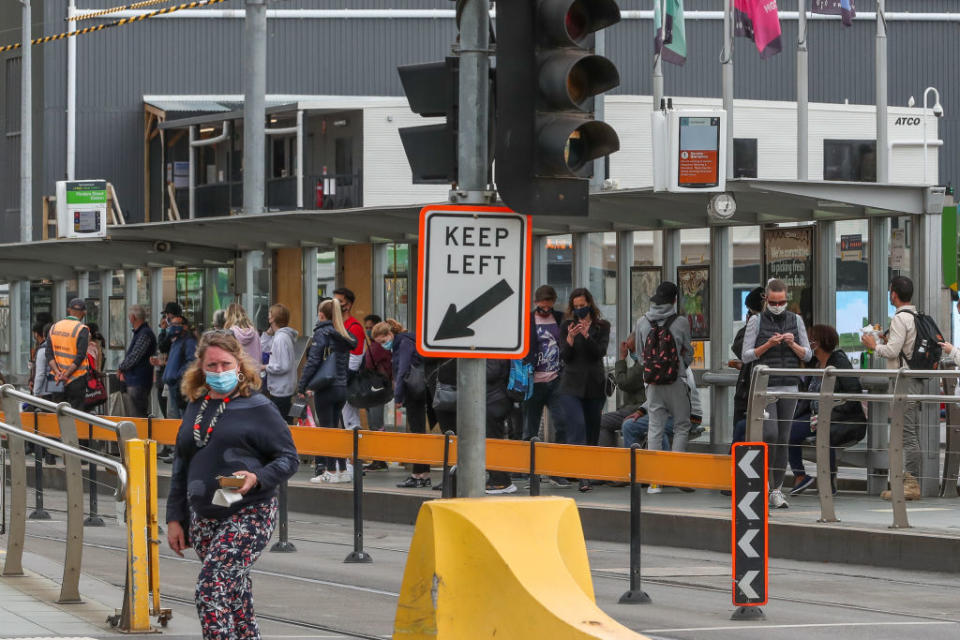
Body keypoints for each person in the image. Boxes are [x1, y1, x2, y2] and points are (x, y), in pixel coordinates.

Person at [165, 331, 298, 640]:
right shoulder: (195, 406)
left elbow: (289, 458)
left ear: (239, 364)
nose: (220, 372)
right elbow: (181, 464)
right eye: (212, 366)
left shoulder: (258, 406)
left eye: (226, 364)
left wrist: (257, 478)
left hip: (250, 511)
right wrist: (175, 517)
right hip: (206, 514)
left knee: (211, 591)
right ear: (200, 366)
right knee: (235, 596)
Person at [742, 278, 813, 509]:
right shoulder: (756, 321)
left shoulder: (796, 320)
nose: (778, 305)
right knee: (770, 434)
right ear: (767, 300)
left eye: (782, 301)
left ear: (786, 299)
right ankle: (765, 482)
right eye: (773, 302)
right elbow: (746, 355)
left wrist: (792, 344)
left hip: (789, 386)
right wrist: (768, 345)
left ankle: (776, 489)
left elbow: (807, 355)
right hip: (766, 386)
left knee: (783, 438)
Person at [861, 276, 928, 501]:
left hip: (904, 382)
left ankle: (910, 484)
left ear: (893, 294)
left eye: (890, 291)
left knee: (906, 433)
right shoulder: (915, 316)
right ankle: (908, 482)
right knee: (909, 431)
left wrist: (874, 346)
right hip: (913, 380)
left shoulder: (901, 318)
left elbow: (892, 352)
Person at [788, 324, 867, 496]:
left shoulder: (838, 361)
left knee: (820, 431)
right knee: (788, 428)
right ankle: (801, 476)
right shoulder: (815, 362)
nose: (808, 342)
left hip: (840, 419)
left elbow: (853, 395)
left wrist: (827, 413)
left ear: (819, 342)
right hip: (815, 416)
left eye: (811, 339)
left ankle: (826, 482)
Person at [635, 281, 694, 494]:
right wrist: (679, 367)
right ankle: (676, 475)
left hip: (652, 384)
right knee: (681, 425)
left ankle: (654, 482)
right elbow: (688, 351)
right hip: (676, 381)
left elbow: (641, 356)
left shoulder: (642, 322)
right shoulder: (681, 322)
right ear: (674, 300)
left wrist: (652, 371)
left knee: (655, 427)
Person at [297, 299, 357, 484]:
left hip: (326, 388)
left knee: (326, 431)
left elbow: (313, 361)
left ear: (321, 315)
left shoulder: (322, 333)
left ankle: (330, 471)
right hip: (341, 388)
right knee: (337, 430)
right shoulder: (344, 335)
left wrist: (302, 385)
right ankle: (343, 470)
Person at [558, 288, 610, 493]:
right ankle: (582, 476)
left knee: (592, 429)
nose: (579, 310)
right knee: (577, 425)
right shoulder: (566, 326)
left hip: (594, 384)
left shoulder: (602, 326)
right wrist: (570, 339)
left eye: (583, 305)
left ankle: (587, 470)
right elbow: (565, 356)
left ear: (590, 304)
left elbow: (599, 352)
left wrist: (587, 335)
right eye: (576, 307)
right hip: (571, 385)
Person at [372, 321, 430, 488]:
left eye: (383, 341)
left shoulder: (403, 343)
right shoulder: (406, 340)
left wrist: (397, 398)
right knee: (418, 432)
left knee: (417, 433)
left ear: (390, 334)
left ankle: (418, 474)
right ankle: (421, 473)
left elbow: (403, 370)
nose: (383, 346)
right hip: (417, 390)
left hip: (413, 392)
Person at [523, 286, 568, 443]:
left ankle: (560, 459)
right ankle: (529, 462)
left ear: (554, 301)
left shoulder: (560, 318)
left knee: (563, 423)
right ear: (536, 302)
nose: (546, 308)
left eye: (549, 304)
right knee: (530, 428)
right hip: (533, 381)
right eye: (542, 305)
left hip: (556, 379)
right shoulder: (527, 320)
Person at [730, 287, 766, 445]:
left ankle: (734, 466)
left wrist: (751, 322)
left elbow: (739, 347)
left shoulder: (756, 328)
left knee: (741, 434)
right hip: (759, 390)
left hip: (748, 393)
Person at [598, 333, 646, 447]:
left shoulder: (642, 365)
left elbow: (623, 382)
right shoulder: (639, 364)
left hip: (637, 409)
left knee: (601, 422)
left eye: (632, 350)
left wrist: (622, 358)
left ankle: (607, 457)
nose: (631, 353)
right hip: (635, 408)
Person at [47, 298, 91, 409]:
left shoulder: (54, 327)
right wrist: (66, 375)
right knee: (75, 413)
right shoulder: (82, 329)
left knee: (56, 410)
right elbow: (80, 356)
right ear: (84, 312)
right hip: (76, 379)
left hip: (55, 378)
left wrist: (58, 373)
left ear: (68, 310)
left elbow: (48, 354)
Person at [333, 288, 368, 430]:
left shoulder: (354, 327)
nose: (335, 305)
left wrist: (342, 380)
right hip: (340, 380)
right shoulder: (337, 325)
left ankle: (354, 451)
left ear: (348, 305)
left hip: (347, 381)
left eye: (339, 301)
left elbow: (355, 358)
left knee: (350, 422)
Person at [259, 304, 299, 422]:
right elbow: (264, 347)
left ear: (273, 319)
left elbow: (282, 366)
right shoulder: (280, 336)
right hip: (283, 388)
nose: (268, 316)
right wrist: (268, 333)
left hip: (280, 390)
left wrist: (264, 367)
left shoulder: (280, 338)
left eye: (270, 314)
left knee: (280, 423)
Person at [117, 305, 158, 418]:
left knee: (137, 416)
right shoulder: (140, 333)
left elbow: (135, 356)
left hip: (138, 381)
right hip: (135, 380)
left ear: (133, 317)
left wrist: (121, 368)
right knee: (134, 415)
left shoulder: (144, 334)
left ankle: (139, 435)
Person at [162, 316, 197, 421]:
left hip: (180, 386)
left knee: (180, 417)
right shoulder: (176, 341)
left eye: (176, 324)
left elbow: (192, 361)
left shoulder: (189, 341)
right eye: (172, 324)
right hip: (172, 385)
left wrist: (178, 375)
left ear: (185, 326)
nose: (173, 327)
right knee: (172, 417)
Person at [32, 323, 63, 399]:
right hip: (59, 387)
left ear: (44, 334)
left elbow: (40, 374)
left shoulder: (43, 350)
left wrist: (35, 393)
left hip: (45, 391)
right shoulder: (62, 348)